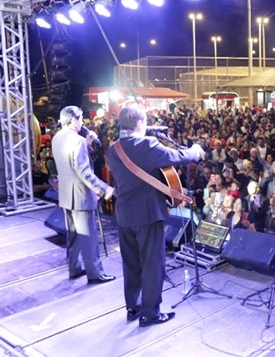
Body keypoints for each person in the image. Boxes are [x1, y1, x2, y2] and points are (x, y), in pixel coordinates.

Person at [107, 104, 205, 327]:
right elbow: (177, 156)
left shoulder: (114, 148)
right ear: (140, 124)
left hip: (124, 215)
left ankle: (133, 307)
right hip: (148, 215)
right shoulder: (146, 145)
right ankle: (150, 314)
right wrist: (195, 151)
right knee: (152, 264)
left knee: (131, 263)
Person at [52, 106, 115, 283]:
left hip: (66, 196)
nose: (82, 122)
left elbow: (70, 164)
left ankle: (74, 268)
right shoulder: (77, 141)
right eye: (80, 119)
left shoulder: (57, 138)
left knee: (72, 236)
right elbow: (84, 172)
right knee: (89, 238)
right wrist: (103, 189)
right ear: (73, 120)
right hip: (80, 196)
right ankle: (95, 273)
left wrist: (86, 142)